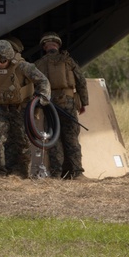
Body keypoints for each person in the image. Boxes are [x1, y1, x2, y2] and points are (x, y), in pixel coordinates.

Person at [0, 40, 50, 177]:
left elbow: (43, 81)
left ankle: (19, 173)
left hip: (21, 109)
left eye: (2, 61)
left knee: (21, 141)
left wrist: (42, 98)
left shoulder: (24, 67)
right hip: (0, 108)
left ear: (9, 58)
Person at [33, 32, 88, 179]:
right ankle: (77, 173)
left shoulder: (39, 63)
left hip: (50, 105)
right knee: (71, 138)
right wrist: (83, 103)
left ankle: (56, 174)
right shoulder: (69, 61)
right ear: (58, 44)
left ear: (45, 46)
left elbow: (33, 86)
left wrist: (36, 108)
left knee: (54, 139)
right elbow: (81, 81)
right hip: (69, 103)